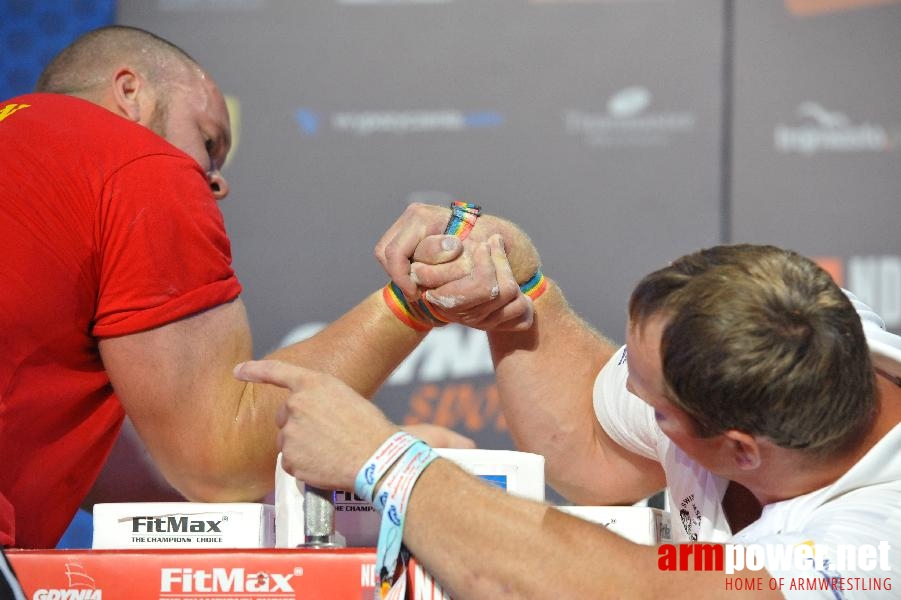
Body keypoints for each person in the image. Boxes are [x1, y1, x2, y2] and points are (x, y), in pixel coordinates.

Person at [0, 26, 532, 549]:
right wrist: (416, 300)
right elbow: (216, 465)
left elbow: (122, 479)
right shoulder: (135, 161)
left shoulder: (31, 165)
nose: (215, 179)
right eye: (208, 140)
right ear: (130, 92)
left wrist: (365, 461)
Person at [236, 204, 901, 598]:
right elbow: (591, 450)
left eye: (655, 407)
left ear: (738, 450)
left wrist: (386, 465)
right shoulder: (797, 334)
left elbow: (623, 590)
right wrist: (519, 298)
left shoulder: (872, 550)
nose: (632, 401)